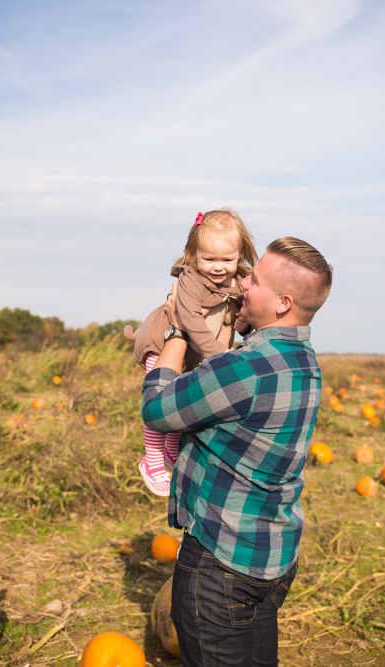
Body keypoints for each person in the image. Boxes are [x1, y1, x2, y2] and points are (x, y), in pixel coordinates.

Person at [141, 237, 332, 667]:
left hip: (219, 564)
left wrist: (175, 329)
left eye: (255, 279)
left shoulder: (244, 369)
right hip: (274, 556)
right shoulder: (306, 363)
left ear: (283, 303)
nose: (241, 282)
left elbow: (156, 409)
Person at [127, 209, 257, 497]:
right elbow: (189, 320)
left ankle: (172, 452)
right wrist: (217, 354)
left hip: (193, 352)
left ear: (240, 254)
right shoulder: (191, 280)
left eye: (228, 259)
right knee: (160, 399)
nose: (218, 267)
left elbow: (241, 312)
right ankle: (152, 459)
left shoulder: (237, 281)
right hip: (161, 341)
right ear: (193, 254)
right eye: (209, 259)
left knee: (180, 399)